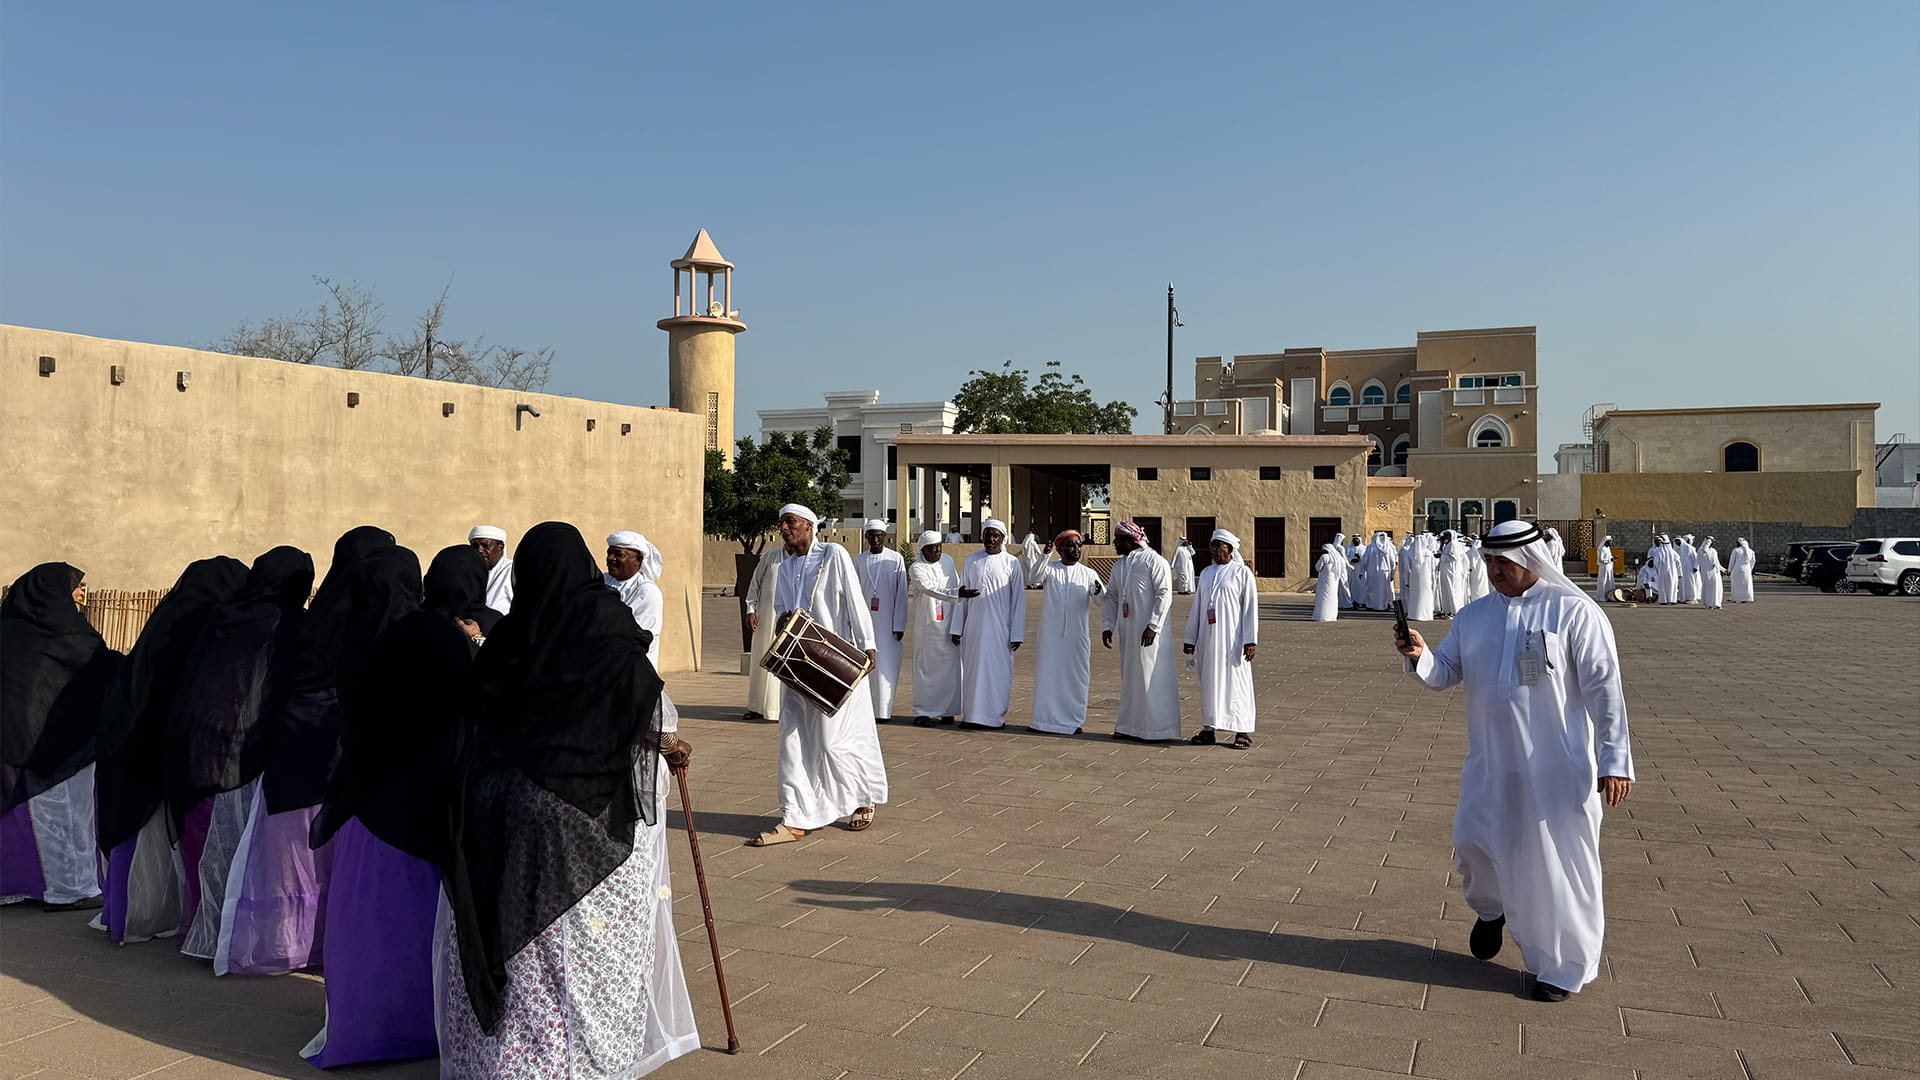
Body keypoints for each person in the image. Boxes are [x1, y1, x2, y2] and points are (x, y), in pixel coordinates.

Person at [435, 521, 697, 1076]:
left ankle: (508, 1064)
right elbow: (644, 710)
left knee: (514, 940)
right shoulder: (606, 631)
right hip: (585, 819)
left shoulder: (511, 636)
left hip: (503, 810)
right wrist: (671, 744)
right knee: (582, 952)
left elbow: (479, 713)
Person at [1395, 519, 1633, 1003]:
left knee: (1555, 867)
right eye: (1489, 561)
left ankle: (1561, 968)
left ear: (1530, 559)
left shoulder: (1574, 612)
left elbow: (1605, 692)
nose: (1495, 571)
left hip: (1555, 768)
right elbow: (1445, 672)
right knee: (1472, 845)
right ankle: (1492, 910)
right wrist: (1420, 655)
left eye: (1504, 562)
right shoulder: (1474, 616)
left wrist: (1615, 759)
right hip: (1490, 762)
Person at [304, 545, 487, 1067]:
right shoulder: (440, 639)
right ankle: (426, 1027)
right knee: (420, 927)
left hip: (366, 803)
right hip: (425, 805)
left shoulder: (360, 639)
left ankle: (362, 1027)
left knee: (366, 926)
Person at [215, 537, 416, 977]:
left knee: (293, 857)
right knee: (332, 858)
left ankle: (288, 943)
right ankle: (327, 943)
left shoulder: (310, 623)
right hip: (341, 761)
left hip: (294, 753)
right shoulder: (389, 629)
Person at [168, 546, 314, 956]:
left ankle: (206, 930)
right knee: (238, 848)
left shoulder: (223, 615)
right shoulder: (291, 625)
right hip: (242, 748)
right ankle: (231, 940)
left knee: (202, 841)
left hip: (194, 745)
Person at [95, 556, 248, 943]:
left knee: (132, 828)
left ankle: (123, 915)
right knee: (156, 834)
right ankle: (145, 916)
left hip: (128, 739)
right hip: (161, 743)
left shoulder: (167, 618)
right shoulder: (208, 623)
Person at [747, 505, 888, 845]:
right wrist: (782, 621)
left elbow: (854, 600)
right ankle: (794, 816)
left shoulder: (833, 554)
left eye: (790, 522)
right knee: (791, 739)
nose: (784, 528)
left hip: (837, 663)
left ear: (809, 526)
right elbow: (781, 611)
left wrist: (868, 645)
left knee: (834, 741)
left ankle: (863, 797)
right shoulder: (784, 565)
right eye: (781, 523)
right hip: (798, 665)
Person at [1, 562, 122, 911]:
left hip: (12, 743)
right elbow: (104, 670)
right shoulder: (68, 634)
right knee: (62, 815)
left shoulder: (7, 632)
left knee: (19, 817)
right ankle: (69, 891)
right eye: (75, 586)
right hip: (57, 745)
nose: (81, 592)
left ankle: (20, 884)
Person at [1020, 530, 1103, 735]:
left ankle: (1072, 721)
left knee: (1076, 677)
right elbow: (1033, 577)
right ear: (1060, 549)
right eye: (1070, 545)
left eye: (1078, 545)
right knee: (1048, 675)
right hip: (1051, 636)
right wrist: (1044, 555)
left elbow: (1102, 600)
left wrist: (1099, 591)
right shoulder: (1050, 568)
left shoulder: (1089, 574)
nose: (1075, 549)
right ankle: (1043, 721)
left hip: (1077, 637)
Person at [1102, 521, 1179, 741]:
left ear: (1130, 540)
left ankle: (1157, 729)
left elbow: (1164, 594)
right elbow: (1111, 596)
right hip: (1128, 631)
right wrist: (1108, 625)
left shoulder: (1154, 561)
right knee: (1131, 678)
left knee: (1152, 676)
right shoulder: (1119, 566)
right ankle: (1129, 726)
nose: (1114, 543)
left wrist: (1153, 625)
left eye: (1118, 539)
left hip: (1151, 633)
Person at [1184, 530, 1259, 749]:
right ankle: (1209, 729)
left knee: (1237, 683)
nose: (1215, 551)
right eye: (1213, 546)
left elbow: (1250, 608)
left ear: (1230, 549)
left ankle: (1242, 730)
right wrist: (1190, 637)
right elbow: (1198, 606)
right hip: (1208, 639)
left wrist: (1250, 640)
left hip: (1233, 640)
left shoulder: (1242, 573)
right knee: (1209, 683)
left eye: (1220, 546)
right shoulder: (1206, 573)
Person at [951, 519, 1025, 730]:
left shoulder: (1011, 563)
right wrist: (957, 628)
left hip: (1000, 630)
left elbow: (1018, 600)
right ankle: (972, 716)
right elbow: (962, 595)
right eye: (988, 535)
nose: (991, 539)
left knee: (997, 673)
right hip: (973, 628)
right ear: (982, 536)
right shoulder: (971, 560)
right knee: (972, 672)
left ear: (1002, 538)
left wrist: (1016, 633)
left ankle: (994, 718)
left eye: (995, 535)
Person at [854, 520, 909, 723]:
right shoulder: (859, 560)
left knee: (886, 666)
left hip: (888, 623)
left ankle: (883, 711)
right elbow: (853, 593)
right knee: (865, 664)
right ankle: (865, 709)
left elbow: (901, 594)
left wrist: (899, 624)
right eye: (872, 536)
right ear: (866, 537)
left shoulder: (896, 559)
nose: (875, 539)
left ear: (885, 536)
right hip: (865, 621)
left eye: (879, 536)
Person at [907, 532, 963, 726]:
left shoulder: (947, 560)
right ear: (923, 550)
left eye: (939, 546)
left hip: (948, 625)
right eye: (932, 548)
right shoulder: (916, 568)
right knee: (927, 670)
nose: (937, 550)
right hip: (927, 627)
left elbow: (955, 583)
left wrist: (958, 624)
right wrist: (957, 593)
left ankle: (947, 710)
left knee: (950, 670)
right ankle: (923, 712)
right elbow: (929, 588)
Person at [605, 530, 665, 669]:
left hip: (633, 669)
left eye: (619, 554)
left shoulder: (647, 592)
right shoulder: (601, 580)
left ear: (638, 560)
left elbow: (636, 638)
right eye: (609, 553)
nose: (610, 558)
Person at [741, 546, 782, 723]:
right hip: (765, 619)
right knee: (761, 659)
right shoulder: (771, 557)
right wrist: (750, 609)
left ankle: (778, 709)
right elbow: (755, 583)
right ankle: (756, 707)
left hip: (788, 620)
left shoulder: (806, 559)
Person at [469, 525, 514, 615]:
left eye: (485, 545)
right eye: (475, 546)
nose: (479, 550)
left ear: (500, 547)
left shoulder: (512, 571)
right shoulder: (467, 572)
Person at [1434, 531, 1469, 618]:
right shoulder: (1448, 545)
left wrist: (1441, 556)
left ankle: (1454, 610)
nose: (1446, 537)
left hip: (1451, 571)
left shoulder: (1453, 545)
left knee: (1451, 590)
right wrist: (1441, 546)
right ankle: (1447, 610)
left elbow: (1453, 557)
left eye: (1447, 535)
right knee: (1446, 590)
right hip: (1445, 570)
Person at [1404, 532, 1436, 622]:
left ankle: (1414, 614)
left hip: (1415, 577)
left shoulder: (1410, 552)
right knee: (1426, 594)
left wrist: (1406, 580)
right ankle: (1426, 614)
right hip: (1426, 576)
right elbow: (1433, 567)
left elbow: (1407, 568)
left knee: (1415, 595)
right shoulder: (1429, 553)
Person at [1359, 532, 1396, 610]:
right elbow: (1393, 562)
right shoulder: (1388, 548)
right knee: (1383, 590)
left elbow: (1364, 560)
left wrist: (1362, 571)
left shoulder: (1370, 547)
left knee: (1373, 590)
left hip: (1372, 572)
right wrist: (1392, 573)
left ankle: (1372, 605)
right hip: (1384, 572)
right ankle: (1383, 606)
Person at [1312, 541, 1345, 622]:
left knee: (1323, 598)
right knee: (1332, 598)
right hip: (1334, 582)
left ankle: (1322, 616)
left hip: (1324, 581)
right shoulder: (1339, 558)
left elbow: (1318, 567)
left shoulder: (1325, 557)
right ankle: (1331, 616)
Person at [1651, 535, 1682, 605]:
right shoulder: (1673, 552)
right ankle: (1672, 600)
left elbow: (1656, 563)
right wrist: (1680, 573)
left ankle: (1663, 600)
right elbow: (1678, 563)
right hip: (1673, 572)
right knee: (1672, 585)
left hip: (1662, 572)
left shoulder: (1659, 552)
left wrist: (1657, 570)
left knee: (1663, 586)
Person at [1698, 537, 1725, 609]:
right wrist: (1707, 543)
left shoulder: (1714, 551)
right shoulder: (1701, 551)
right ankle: (1709, 604)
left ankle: (1717, 603)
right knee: (1708, 588)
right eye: (1709, 542)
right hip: (1707, 572)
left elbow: (1717, 563)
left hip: (1715, 573)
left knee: (1717, 588)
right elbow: (1703, 552)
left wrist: (1724, 570)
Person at [1729, 538, 1756, 603]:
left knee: (1736, 585)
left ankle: (1735, 598)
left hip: (1737, 570)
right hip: (1747, 571)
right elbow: (1753, 561)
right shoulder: (1751, 551)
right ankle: (1746, 598)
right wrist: (1750, 569)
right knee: (1746, 585)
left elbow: (1732, 561)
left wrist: (1729, 569)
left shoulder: (1736, 550)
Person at [1676, 534, 1700, 604]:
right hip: (1682, 570)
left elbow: (1696, 558)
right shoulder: (1679, 549)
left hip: (1689, 569)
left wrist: (1696, 567)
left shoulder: (1689, 548)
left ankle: (1692, 598)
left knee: (1690, 583)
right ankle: (1683, 598)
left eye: (1678, 541)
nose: (1677, 543)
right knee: (1682, 584)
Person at [1595, 535, 1616, 602]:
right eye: (1610, 541)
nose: (1611, 543)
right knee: (1604, 581)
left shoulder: (1608, 548)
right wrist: (1610, 560)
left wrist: (1612, 558)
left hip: (1609, 568)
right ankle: (1602, 597)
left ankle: (1610, 596)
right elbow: (1601, 559)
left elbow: (1609, 556)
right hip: (1604, 568)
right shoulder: (1602, 549)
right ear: (1606, 542)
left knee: (1609, 581)